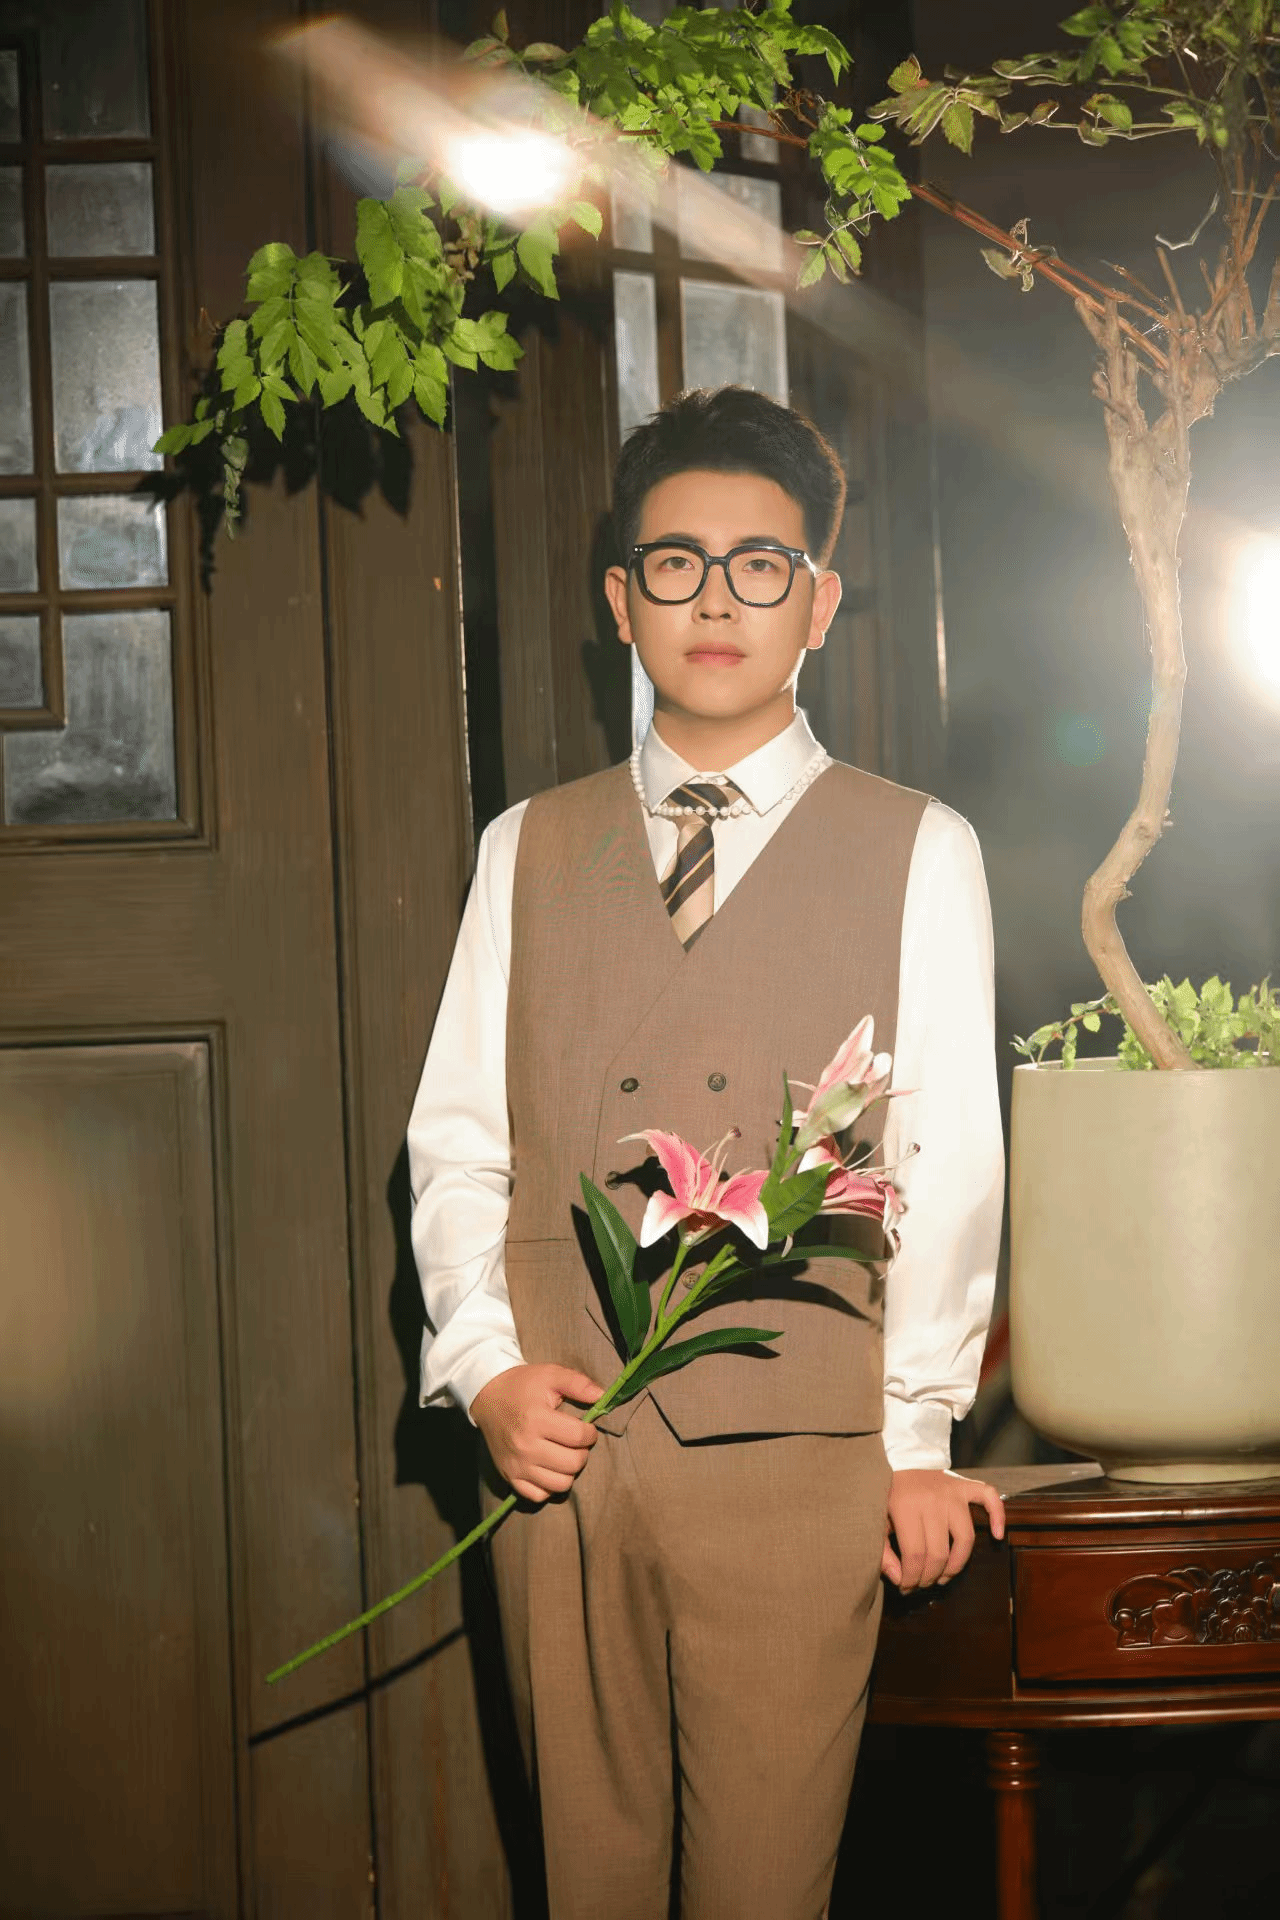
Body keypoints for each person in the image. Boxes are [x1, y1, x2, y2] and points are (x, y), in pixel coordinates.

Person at [407, 385, 1005, 1919]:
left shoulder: (919, 847)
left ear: (821, 602)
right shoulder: (527, 847)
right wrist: (484, 1372)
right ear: (621, 601)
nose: (717, 601)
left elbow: (944, 1156)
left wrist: (917, 1438)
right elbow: (461, 1143)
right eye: (676, 564)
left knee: (763, 1887)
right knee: (585, 1886)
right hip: (566, 1459)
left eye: (761, 566)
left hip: (801, 1465)